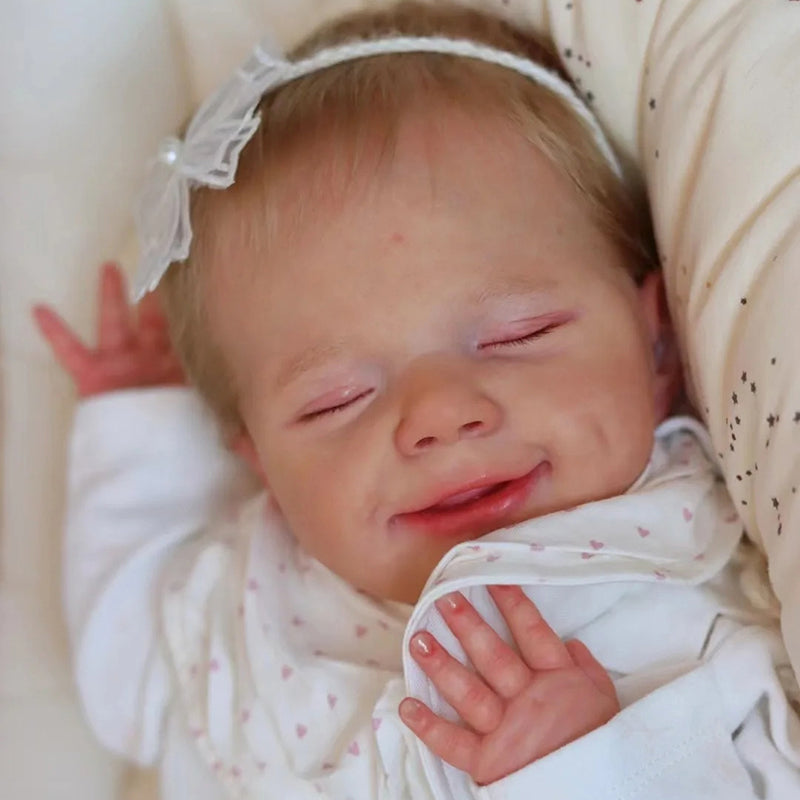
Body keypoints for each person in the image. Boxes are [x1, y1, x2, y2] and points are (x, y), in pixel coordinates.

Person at [34, 2, 800, 798]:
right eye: (336, 400)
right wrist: (142, 428)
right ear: (261, 462)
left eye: (518, 334)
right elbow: (131, 682)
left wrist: (596, 769)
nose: (437, 415)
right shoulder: (251, 597)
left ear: (656, 342)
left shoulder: (687, 582)